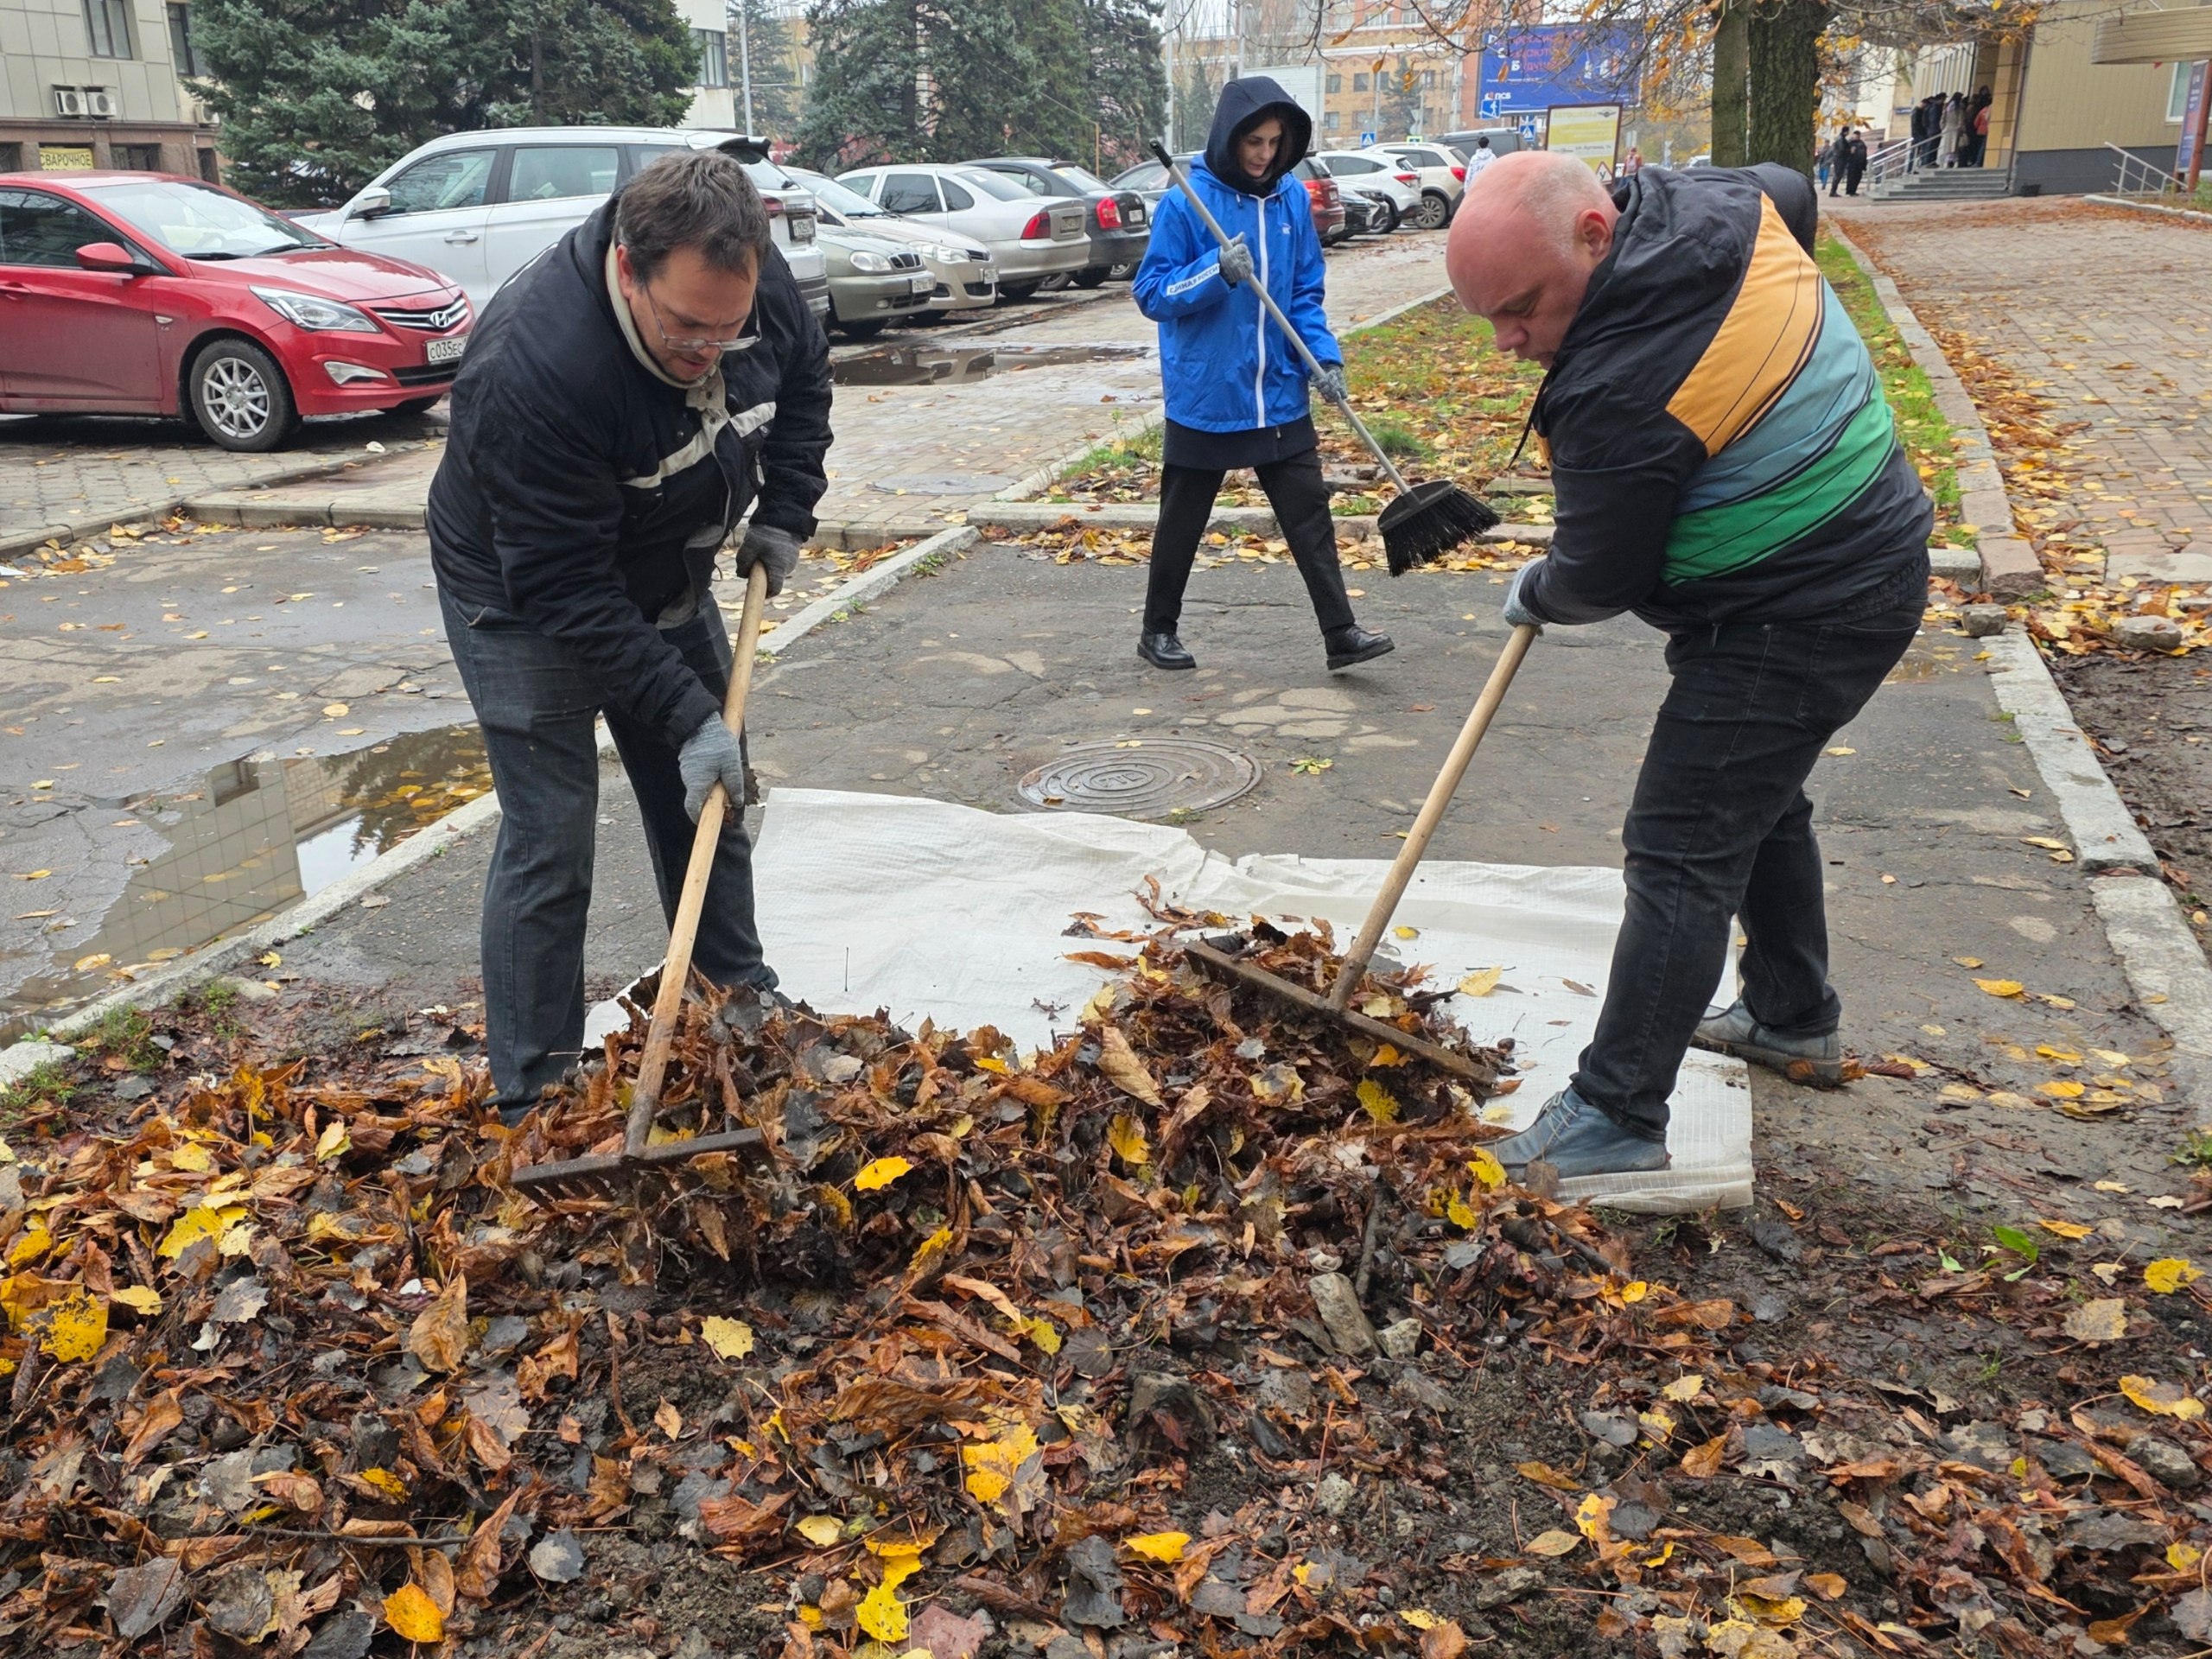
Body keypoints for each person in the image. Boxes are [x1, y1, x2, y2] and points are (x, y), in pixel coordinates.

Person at [1442, 152, 1931, 1179]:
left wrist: (1535, 589)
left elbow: (1595, 577)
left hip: (1798, 608)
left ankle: (1616, 1111)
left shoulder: (1620, 391)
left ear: (1593, 229)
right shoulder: (1720, 201)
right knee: (1756, 800)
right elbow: (1795, 195)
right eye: (1487, 318)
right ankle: (1792, 1016)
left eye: (1521, 309)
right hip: (1867, 551)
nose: (1508, 343)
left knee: (1678, 845)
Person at [427, 150, 833, 1120]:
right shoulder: (535, 366)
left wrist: (787, 510)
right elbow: (563, 583)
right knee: (550, 841)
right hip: (522, 595)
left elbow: (804, 387)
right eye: (685, 329)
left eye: (726, 331)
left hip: (660, 562)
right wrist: (683, 709)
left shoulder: (741, 277)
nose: (708, 349)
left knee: (711, 787)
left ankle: (733, 996)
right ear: (626, 265)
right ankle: (536, 1090)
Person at [1130, 76, 1393, 674]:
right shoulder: (1186, 202)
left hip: (1278, 390)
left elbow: (1303, 292)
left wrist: (1322, 358)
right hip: (1209, 392)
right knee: (1183, 520)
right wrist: (1213, 271)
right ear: (1229, 135)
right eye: (1253, 140)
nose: (1263, 154)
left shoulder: (1292, 200)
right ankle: (1157, 630)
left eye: (1275, 142)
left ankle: (1340, 633)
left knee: (1310, 515)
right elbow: (1150, 293)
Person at [1844, 129, 1869, 195]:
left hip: (1858, 165)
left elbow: (1864, 154)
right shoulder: (1850, 143)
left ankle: (1852, 190)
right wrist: (1850, 152)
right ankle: (1850, 191)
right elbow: (1845, 152)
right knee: (1851, 178)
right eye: (1855, 135)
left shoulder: (1861, 143)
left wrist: (1864, 164)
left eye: (1857, 136)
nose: (1856, 137)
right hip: (1852, 164)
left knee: (1857, 178)